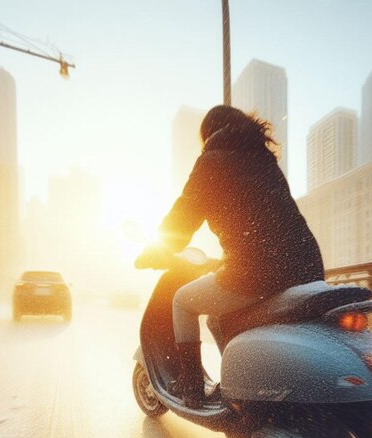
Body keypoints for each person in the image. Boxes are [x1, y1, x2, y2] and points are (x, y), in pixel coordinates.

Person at [135, 104, 324, 408]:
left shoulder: (212, 160)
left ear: (209, 133)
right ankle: (258, 385)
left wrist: (153, 251)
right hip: (307, 267)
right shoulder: (264, 161)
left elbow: (183, 217)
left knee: (183, 302)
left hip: (258, 269)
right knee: (227, 314)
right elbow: (265, 219)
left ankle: (194, 387)